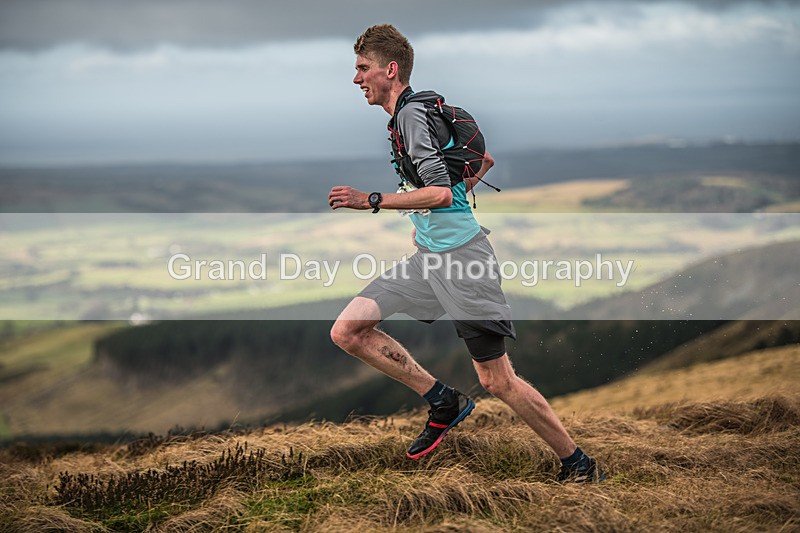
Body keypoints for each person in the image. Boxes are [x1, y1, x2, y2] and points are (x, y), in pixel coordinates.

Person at [329, 24, 605, 483]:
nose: (356, 79)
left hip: (463, 263)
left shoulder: (411, 116)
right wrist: (434, 208)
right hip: (430, 259)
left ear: (390, 70)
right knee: (348, 330)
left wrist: (370, 200)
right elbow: (478, 165)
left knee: (497, 381)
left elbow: (439, 192)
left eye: (362, 68)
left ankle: (579, 464)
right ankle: (443, 400)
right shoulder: (414, 113)